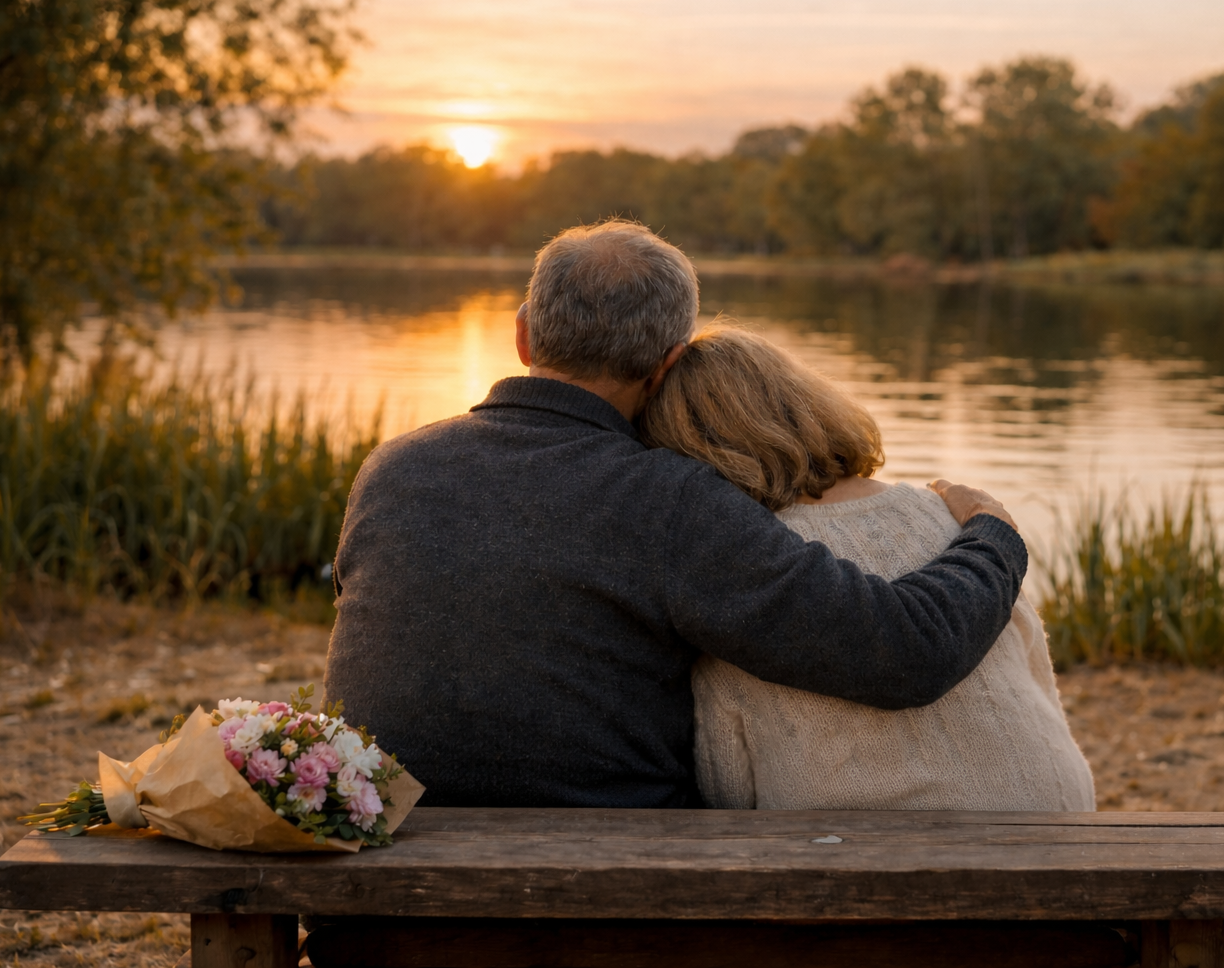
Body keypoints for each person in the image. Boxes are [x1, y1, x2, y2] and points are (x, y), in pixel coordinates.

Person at [323, 219, 1030, 808]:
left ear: (524, 337)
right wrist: (992, 535)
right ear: (669, 365)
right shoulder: (669, 499)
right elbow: (905, 652)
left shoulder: (392, 468)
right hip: (606, 907)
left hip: (383, 880)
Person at [639, 326, 1095, 811]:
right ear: (804, 401)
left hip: (863, 858)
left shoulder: (734, 572)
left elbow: (727, 781)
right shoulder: (950, 514)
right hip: (1053, 810)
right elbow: (1033, 669)